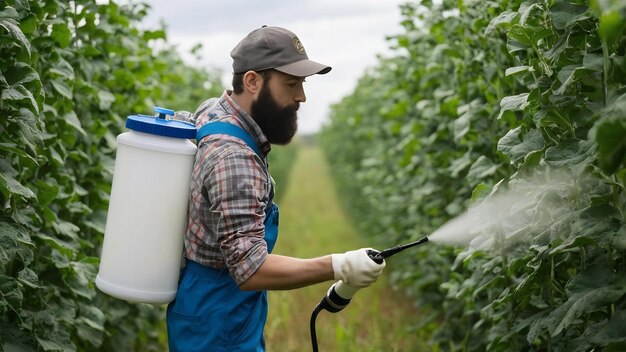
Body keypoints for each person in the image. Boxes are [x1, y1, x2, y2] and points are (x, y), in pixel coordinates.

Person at [166, 25, 386, 352]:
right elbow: (250, 269)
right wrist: (339, 265)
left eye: (302, 84)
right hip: (216, 325)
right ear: (252, 82)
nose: (302, 97)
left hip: (212, 311)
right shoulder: (234, 159)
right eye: (291, 84)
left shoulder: (215, 110)